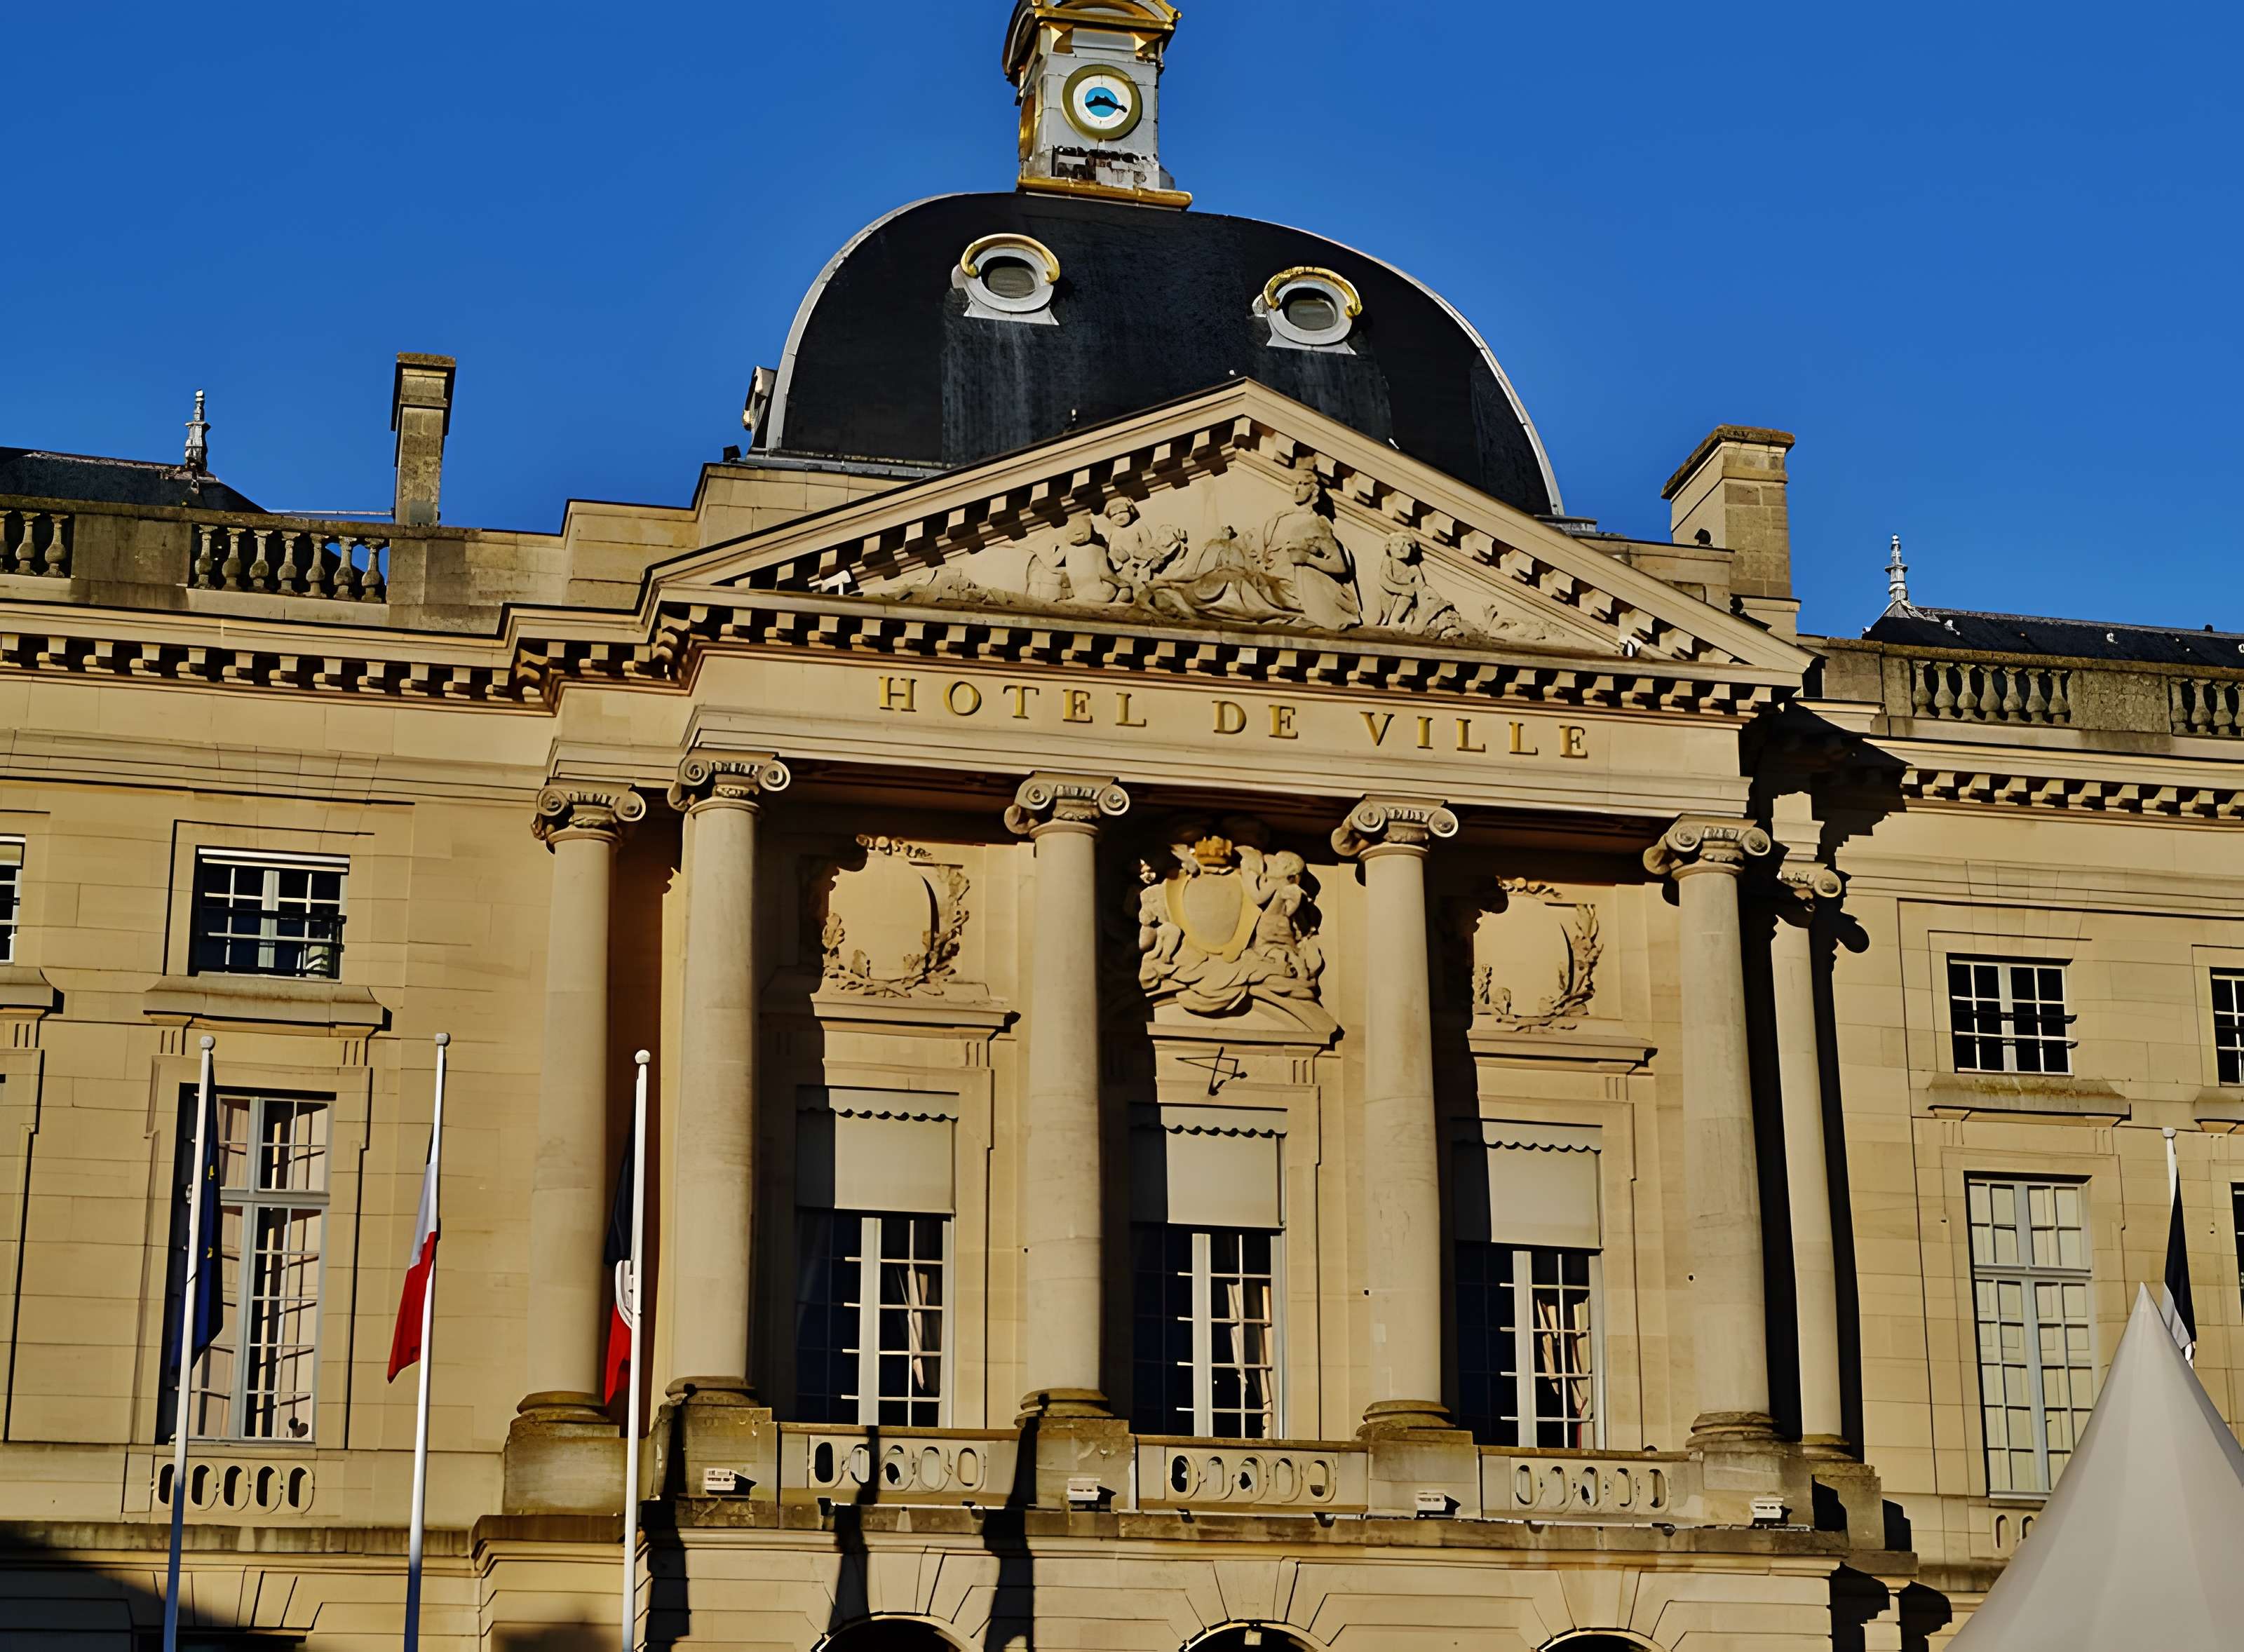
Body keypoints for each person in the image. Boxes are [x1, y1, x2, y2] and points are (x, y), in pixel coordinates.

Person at [1262, 474, 1361, 630]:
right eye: (1295, 483)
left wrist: (1308, 559)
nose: (1296, 488)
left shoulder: (1316, 523)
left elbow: (1340, 565)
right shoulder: (1280, 518)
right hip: (1268, 578)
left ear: (1314, 491)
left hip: (1288, 589)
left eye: (1303, 483)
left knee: (1235, 586)